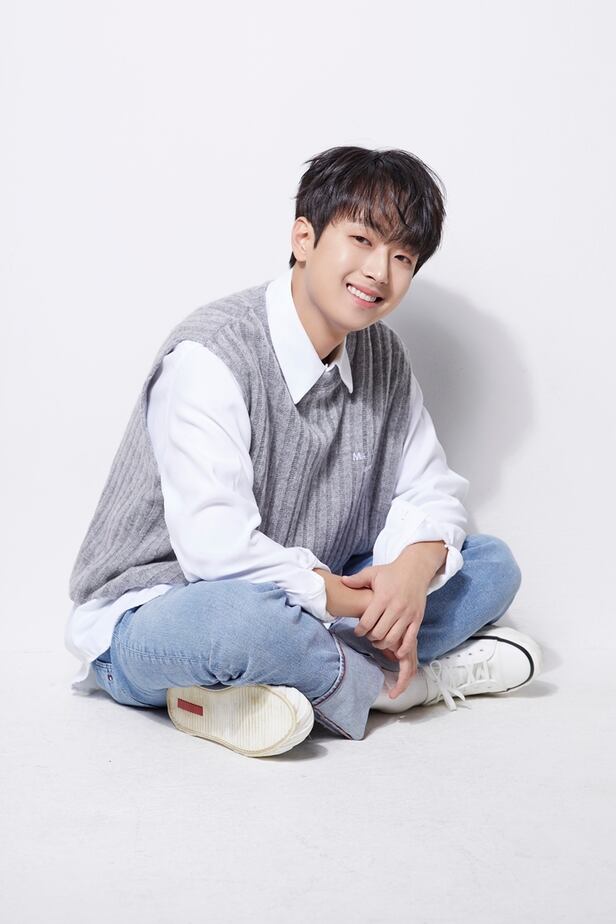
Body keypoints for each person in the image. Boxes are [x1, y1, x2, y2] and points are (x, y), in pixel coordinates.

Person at [64, 145, 542, 758]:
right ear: (304, 238)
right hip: (170, 604)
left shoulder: (384, 355)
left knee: (490, 563)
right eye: (362, 240)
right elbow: (216, 549)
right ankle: (402, 689)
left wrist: (409, 574)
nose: (379, 271)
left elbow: (430, 490)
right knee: (243, 625)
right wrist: (356, 603)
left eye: (402, 257)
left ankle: (260, 691)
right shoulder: (212, 355)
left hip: (315, 592)